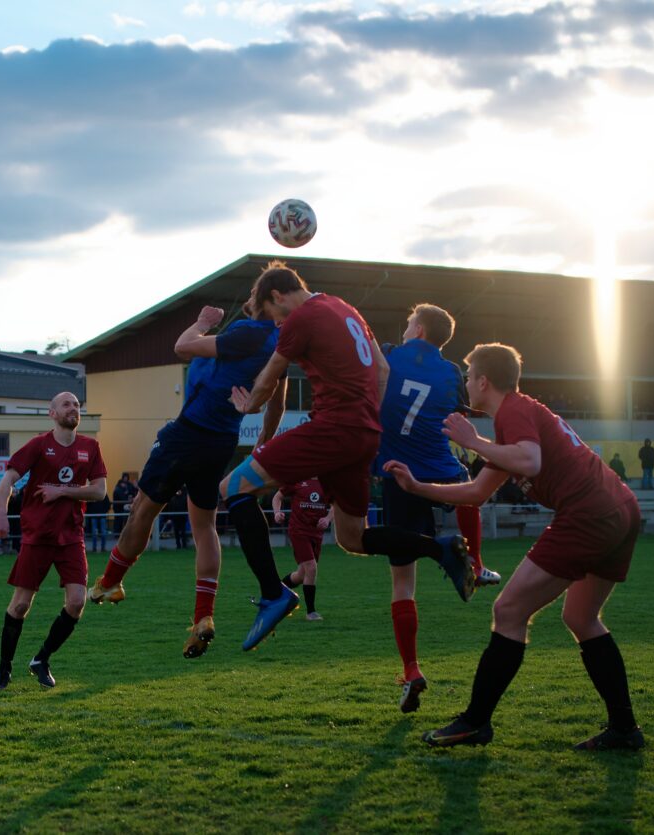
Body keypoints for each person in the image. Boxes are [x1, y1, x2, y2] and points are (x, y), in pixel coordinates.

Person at [384, 343, 644, 751]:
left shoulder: (515, 411)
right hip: (619, 509)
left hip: (589, 514)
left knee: (508, 610)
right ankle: (625, 730)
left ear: (484, 381)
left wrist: (473, 442)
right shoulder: (512, 423)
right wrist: (416, 486)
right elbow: (475, 492)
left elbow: (530, 462)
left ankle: (474, 722)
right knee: (580, 616)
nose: (466, 383)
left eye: (469, 377)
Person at [218, 261, 473, 653]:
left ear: (277, 295)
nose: (276, 324)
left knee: (232, 487)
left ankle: (274, 594)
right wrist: (368, 415)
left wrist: (249, 403)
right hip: (363, 434)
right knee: (353, 539)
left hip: (333, 428)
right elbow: (383, 369)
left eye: (272, 315)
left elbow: (272, 372)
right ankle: (439, 547)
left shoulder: (303, 315)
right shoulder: (345, 307)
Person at [88, 299, 286, 662]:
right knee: (204, 527)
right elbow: (277, 403)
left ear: (266, 301)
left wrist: (202, 322)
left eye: (257, 290)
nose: (250, 294)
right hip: (221, 441)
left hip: (187, 434)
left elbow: (182, 345)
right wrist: (261, 446)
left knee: (141, 511)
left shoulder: (244, 334)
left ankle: (111, 581)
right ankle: (203, 616)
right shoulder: (277, 345)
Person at [375, 303, 501, 714]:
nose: (406, 328)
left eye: (410, 322)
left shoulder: (392, 353)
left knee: (402, 584)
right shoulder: (449, 372)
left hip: (396, 471)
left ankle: (411, 669)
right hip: (437, 466)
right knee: (468, 486)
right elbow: (463, 409)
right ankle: (477, 564)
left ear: (421, 328)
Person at [0, 392, 107, 691]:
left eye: (77, 405)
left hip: (71, 537)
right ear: (52, 413)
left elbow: (99, 492)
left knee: (78, 602)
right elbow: (7, 482)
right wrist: (0, 514)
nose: (73, 408)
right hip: (38, 536)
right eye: (66, 404)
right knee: (20, 606)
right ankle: (4, 670)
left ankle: (41, 659)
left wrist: (62, 491)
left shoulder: (90, 447)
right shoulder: (39, 445)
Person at [272, 478, 334, 621]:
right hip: (298, 531)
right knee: (311, 568)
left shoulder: (327, 483)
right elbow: (278, 496)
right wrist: (277, 512)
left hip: (316, 534)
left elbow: (335, 505)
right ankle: (311, 612)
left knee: (301, 574)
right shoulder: (297, 479)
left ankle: (275, 593)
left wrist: (328, 518)